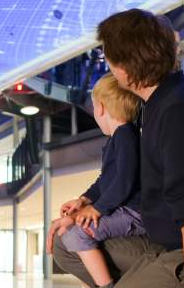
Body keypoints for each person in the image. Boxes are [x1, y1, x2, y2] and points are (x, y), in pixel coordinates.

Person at [51, 8, 184, 288]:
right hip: (165, 245)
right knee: (66, 244)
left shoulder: (178, 111)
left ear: (124, 66)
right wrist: (84, 206)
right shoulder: (158, 104)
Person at [54, 73, 145, 288]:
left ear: (101, 107)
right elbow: (106, 180)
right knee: (73, 232)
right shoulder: (119, 138)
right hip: (126, 210)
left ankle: (107, 285)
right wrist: (84, 200)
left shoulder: (125, 135)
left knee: (77, 233)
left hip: (135, 213)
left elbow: (124, 181)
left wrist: (98, 209)